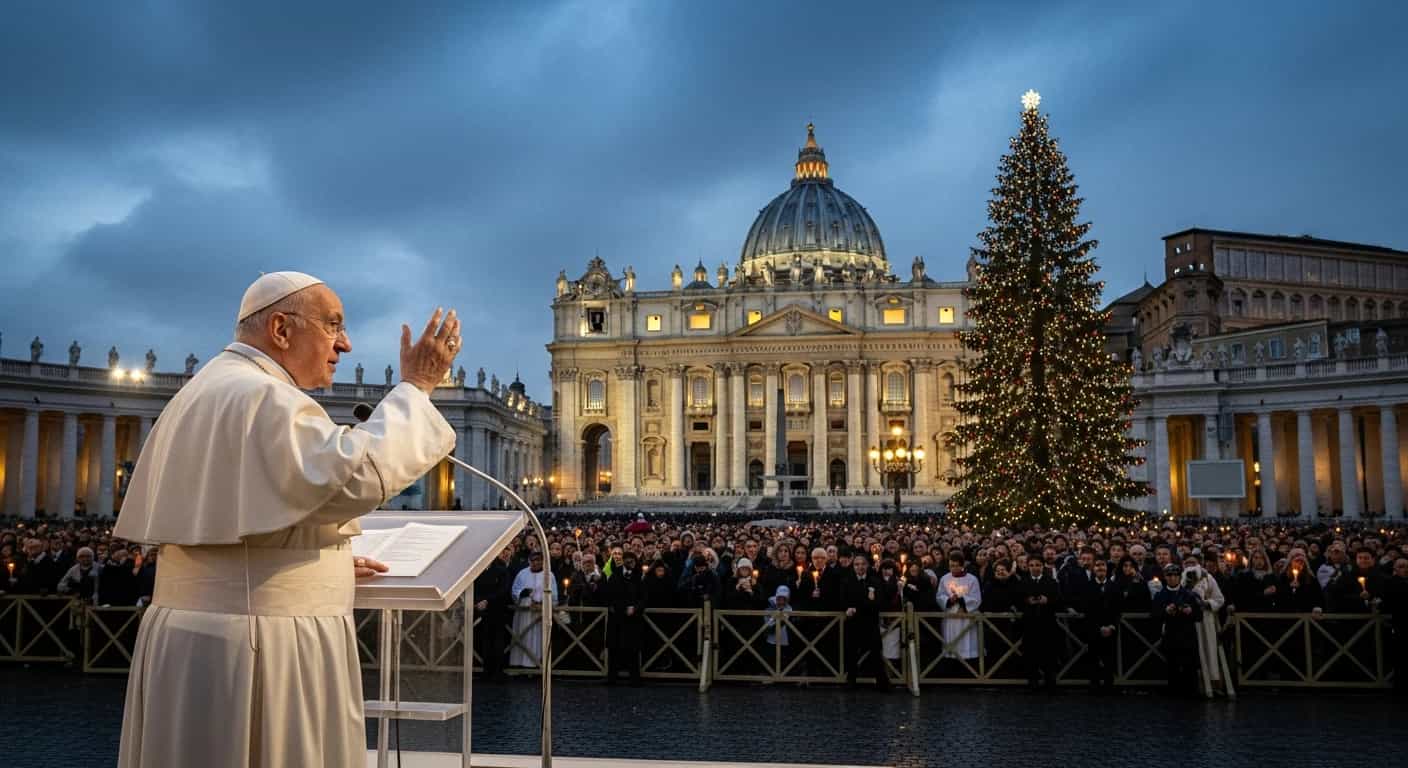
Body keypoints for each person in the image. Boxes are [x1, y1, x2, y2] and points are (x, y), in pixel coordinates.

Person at [113, 272, 460, 768]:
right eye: (333, 325)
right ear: (280, 329)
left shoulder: (208, 389)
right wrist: (416, 388)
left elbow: (245, 528)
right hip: (261, 642)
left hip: (195, 637)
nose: (345, 342)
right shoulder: (263, 397)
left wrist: (319, 563)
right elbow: (352, 477)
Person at [1151, 563, 1203, 696]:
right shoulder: (1160, 595)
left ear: (1180, 577)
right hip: (1170, 635)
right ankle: (1173, 693)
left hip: (1187, 635)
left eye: (1175, 575)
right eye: (1169, 575)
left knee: (1190, 667)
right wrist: (1165, 611)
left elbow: (1199, 616)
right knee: (1171, 667)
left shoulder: (1189, 595)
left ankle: (1191, 693)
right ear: (1165, 577)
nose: (1172, 578)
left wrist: (1190, 611)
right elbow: (1154, 615)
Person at [841, 553, 889, 690]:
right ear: (853, 566)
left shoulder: (875, 581)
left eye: (862, 564)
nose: (860, 567)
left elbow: (879, 602)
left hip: (870, 622)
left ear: (867, 565)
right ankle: (851, 681)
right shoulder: (847, 581)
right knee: (852, 653)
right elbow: (843, 600)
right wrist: (856, 605)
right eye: (857, 564)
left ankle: (882, 682)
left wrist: (858, 605)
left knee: (875, 653)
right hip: (854, 623)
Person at [604, 548, 645, 686]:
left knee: (632, 650)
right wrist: (612, 606)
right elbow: (608, 594)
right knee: (614, 649)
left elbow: (643, 597)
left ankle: (634, 678)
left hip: (632, 619)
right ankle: (612, 677)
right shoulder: (615, 575)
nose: (630, 564)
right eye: (628, 561)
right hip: (616, 617)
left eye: (632, 561)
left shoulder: (639, 576)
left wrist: (635, 608)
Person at [510, 551, 558, 667]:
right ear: (529, 561)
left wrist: (544, 603)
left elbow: (554, 594)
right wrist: (523, 593)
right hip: (525, 612)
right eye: (533, 560)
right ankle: (521, 664)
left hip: (541, 611)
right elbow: (514, 591)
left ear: (543, 561)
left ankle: (537, 665)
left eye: (538, 560)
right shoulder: (522, 574)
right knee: (523, 636)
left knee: (538, 638)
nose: (536, 563)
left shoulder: (549, 575)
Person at [1019, 555, 1060, 690]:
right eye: (1032, 565)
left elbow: (1059, 600)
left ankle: (1050, 682)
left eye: (1037, 565)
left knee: (1049, 654)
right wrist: (1026, 601)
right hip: (1030, 624)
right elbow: (1017, 599)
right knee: (1031, 654)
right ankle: (1032, 681)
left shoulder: (1051, 582)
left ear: (1042, 566)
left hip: (1047, 624)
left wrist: (1047, 601)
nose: (1035, 568)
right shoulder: (1023, 582)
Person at [473, 545, 513, 681]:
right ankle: (486, 670)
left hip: (498, 611)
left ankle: (497, 671)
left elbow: (504, 590)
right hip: (483, 612)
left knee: (498, 642)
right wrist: (478, 601)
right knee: (485, 641)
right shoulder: (478, 570)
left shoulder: (502, 570)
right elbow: (475, 587)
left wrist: (487, 601)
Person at [937, 553, 982, 665]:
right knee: (952, 643)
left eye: (956, 566)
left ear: (962, 566)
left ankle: (969, 663)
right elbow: (940, 595)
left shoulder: (972, 579)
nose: (954, 568)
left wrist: (962, 600)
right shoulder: (944, 578)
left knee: (966, 640)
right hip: (951, 616)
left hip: (966, 616)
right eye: (951, 566)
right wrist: (948, 600)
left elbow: (976, 598)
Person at [1085, 559, 1122, 692]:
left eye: (1102, 565)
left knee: (1110, 658)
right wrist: (1098, 627)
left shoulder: (1115, 586)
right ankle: (1094, 684)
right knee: (1093, 658)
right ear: (1093, 568)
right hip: (1094, 629)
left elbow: (1117, 608)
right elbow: (1088, 610)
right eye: (1097, 565)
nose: (1100, 568)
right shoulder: (1087, 586)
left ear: (1107, 568)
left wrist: (1111, 626)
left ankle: (1109, 684)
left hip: (1110, 628)